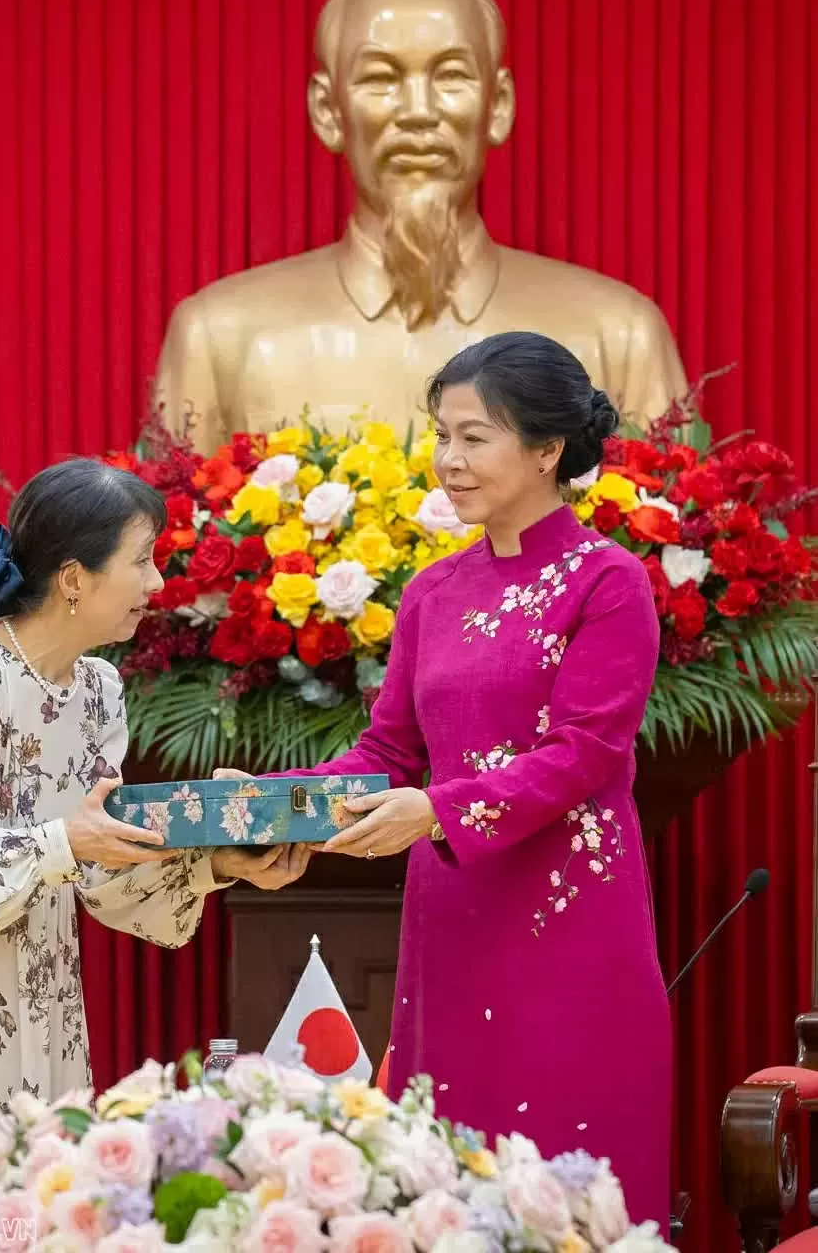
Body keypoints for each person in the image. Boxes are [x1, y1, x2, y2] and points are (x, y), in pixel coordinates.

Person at [217, 332, 671, 1230]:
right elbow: (388, 751)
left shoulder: (608, 582)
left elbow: (585, 752)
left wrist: (435, 809)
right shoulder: (433, 591)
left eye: (474, 437)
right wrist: (273, 801)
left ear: (546, 450)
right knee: (449, 1183)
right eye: (441, 435)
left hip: (569, 914)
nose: (448, 460)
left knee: (567, 1182)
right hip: (454, 913)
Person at [0, 459, 310, 1173]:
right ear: (75, 579)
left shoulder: (98, 691)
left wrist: (215, 861)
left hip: (39, 986)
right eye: (141, 561)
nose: (156, 583)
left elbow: (98, 872)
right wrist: (61, 844)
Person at [156, 0, 686, 452]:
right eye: (380, 79)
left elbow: (671, 517)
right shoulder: (218, 340)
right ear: (328, 110)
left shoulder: (619, 338)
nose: (417, 111)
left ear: (498, 105)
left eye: (452, 76)